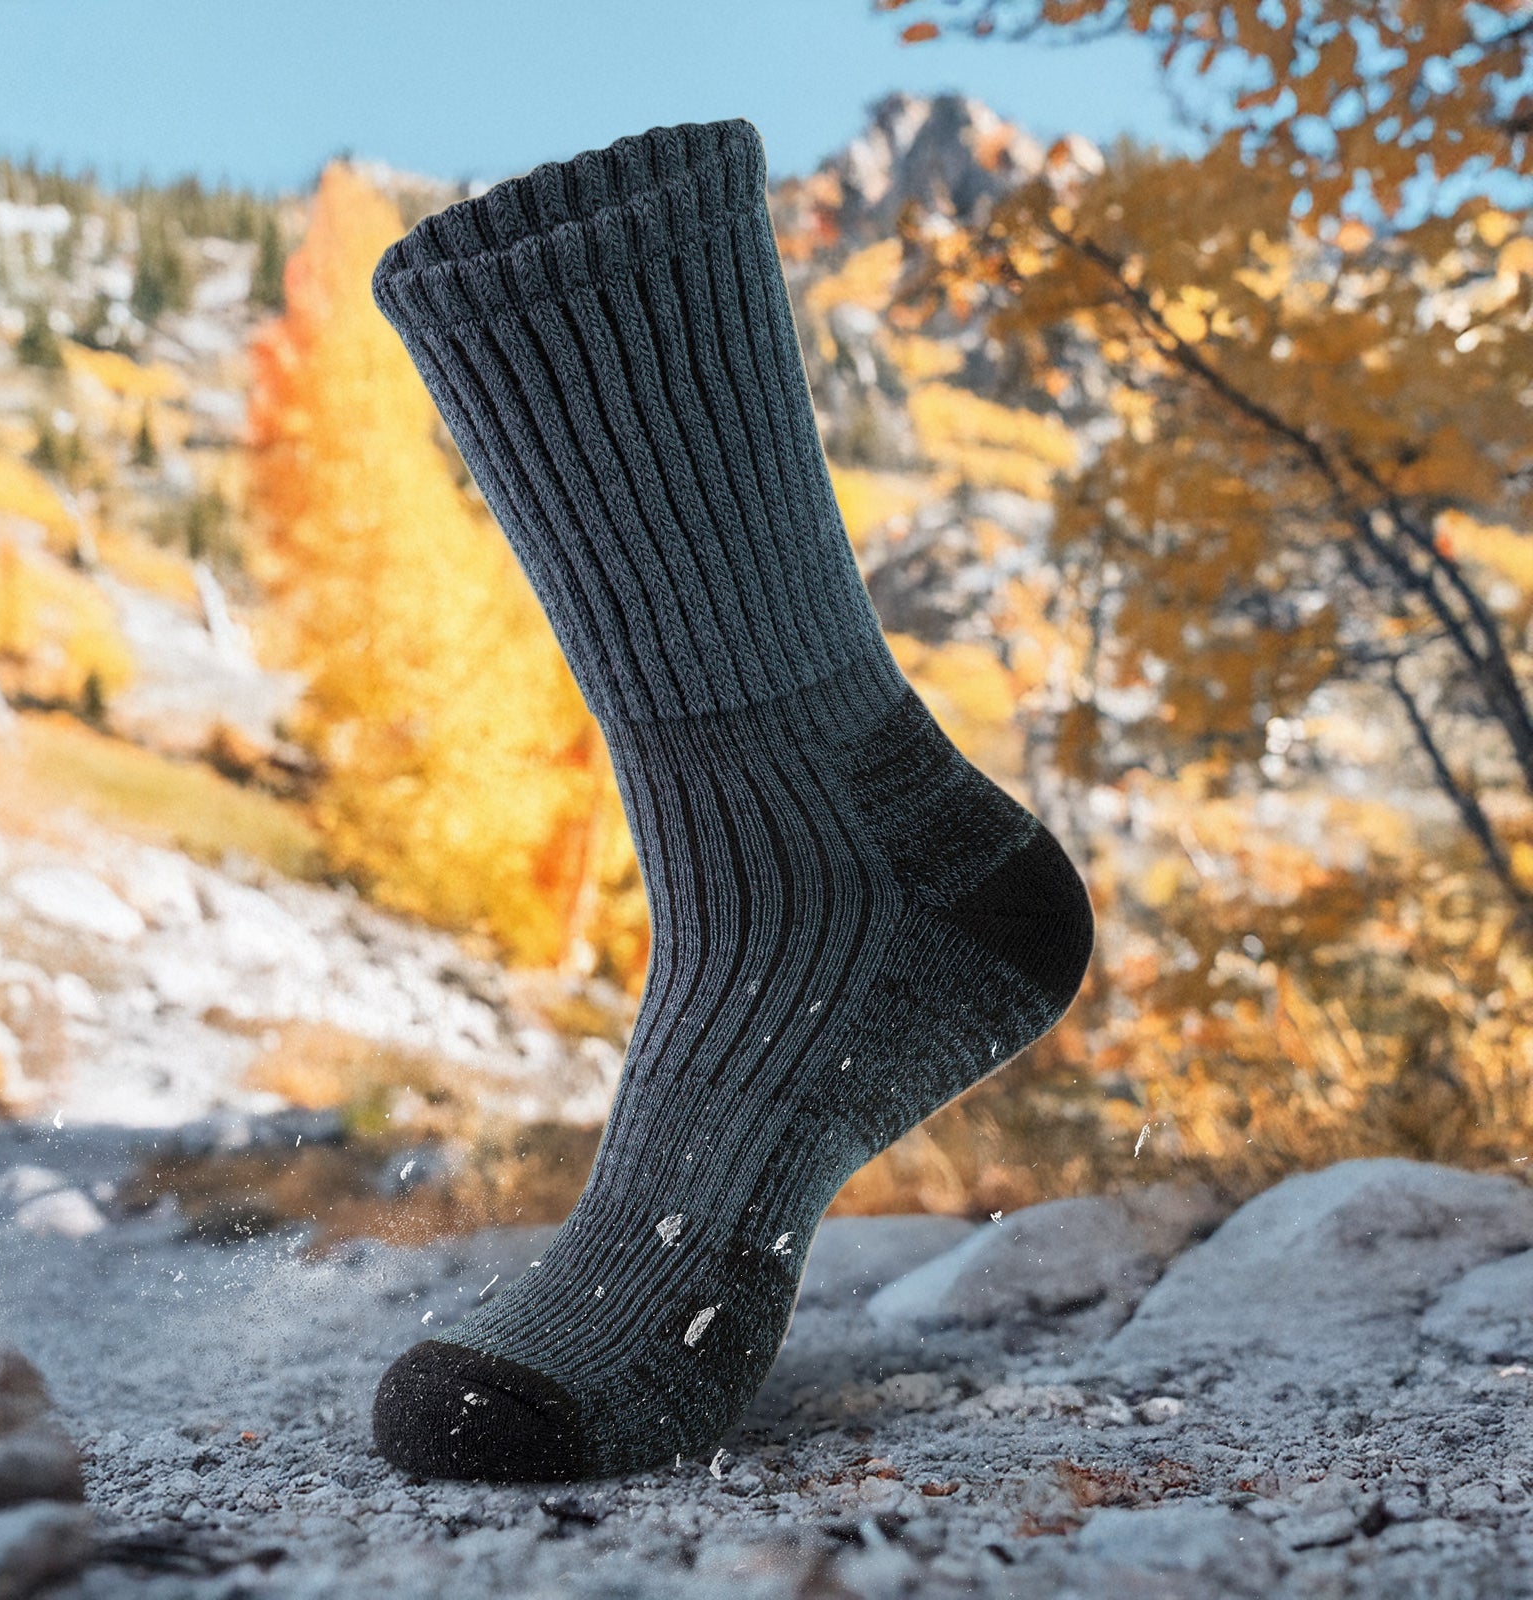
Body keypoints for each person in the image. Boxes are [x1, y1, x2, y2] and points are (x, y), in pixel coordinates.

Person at [367, 115, 1093, 1482]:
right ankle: (845, 868)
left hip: (860, 871)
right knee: (550, 293)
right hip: (869, 873)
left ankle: (827, 880)